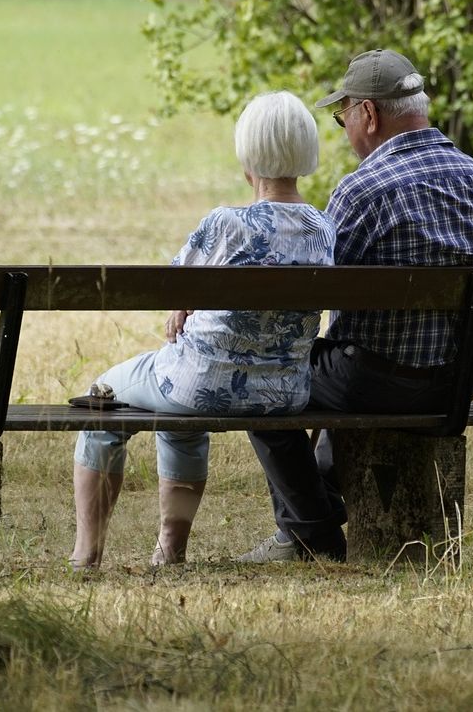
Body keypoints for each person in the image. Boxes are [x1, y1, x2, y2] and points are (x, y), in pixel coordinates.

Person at [239, 49, 473, 563]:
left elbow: (314, 292)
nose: (345, 130)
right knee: (344, 360)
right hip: (455, 381)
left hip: (374, 383)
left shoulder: (362, 190)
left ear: (368, 114)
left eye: (343, 118)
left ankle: (311, 531)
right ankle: (319, 504)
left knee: (260, 375)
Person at [70, 90, 337, 569]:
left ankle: (86, 553)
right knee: (178, 410)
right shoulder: (324, 229)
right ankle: (169, 551)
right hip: (283, 394)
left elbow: (172, 288)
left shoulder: (226, 224)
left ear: (247, 154)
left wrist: (184, 303)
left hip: (200, 385)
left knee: (102, 398)